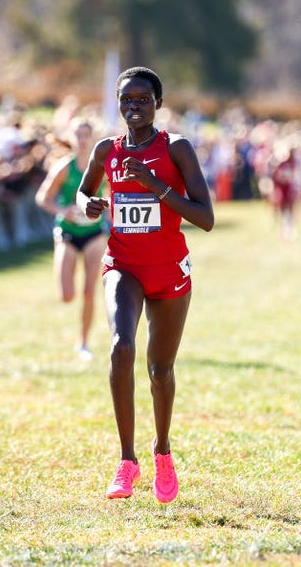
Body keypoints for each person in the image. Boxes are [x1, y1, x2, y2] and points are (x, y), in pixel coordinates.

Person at [77, 67, 214, 503]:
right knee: (121, 346)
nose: (133, 107)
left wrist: (155, 186)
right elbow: (82, 192)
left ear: (157, 103)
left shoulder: (176, 149)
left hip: (169, 269)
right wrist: (91, 204)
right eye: (126, 100)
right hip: (123, 264)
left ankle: (163, 451)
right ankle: (126, 460)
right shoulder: (107, 150)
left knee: (160, 370)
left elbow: (205, 218)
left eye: (142, 99)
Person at [35, 118, 109, 361]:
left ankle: (83, 342)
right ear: (72, 137)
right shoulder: (64, 167)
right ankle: (81, 337)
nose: (83, 139)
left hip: (94, 233)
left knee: (89, 291)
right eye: (78, 134)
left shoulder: (102, 167)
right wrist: (62, 210)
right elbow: (43, 197)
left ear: (93, 137)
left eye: (86, 134)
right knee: (67, 295)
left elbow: (113, 194)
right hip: (67, 232)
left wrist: (109, 212)